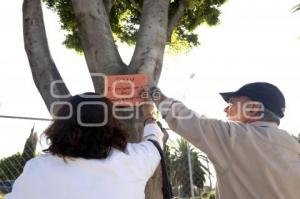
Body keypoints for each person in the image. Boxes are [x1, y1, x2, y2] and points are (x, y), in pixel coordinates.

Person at [148, 82, 300, 199]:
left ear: (253, 108)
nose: (226, 110)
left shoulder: (235, 137)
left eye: (231, 103)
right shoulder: (294, 147)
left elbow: (185, 119)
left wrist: (153, 93)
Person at [5, 93, 163, 199]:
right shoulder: (133, 162)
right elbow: (154, 141)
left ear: (61, 125)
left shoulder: (37, 169)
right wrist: (148, 114)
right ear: (112, 126)